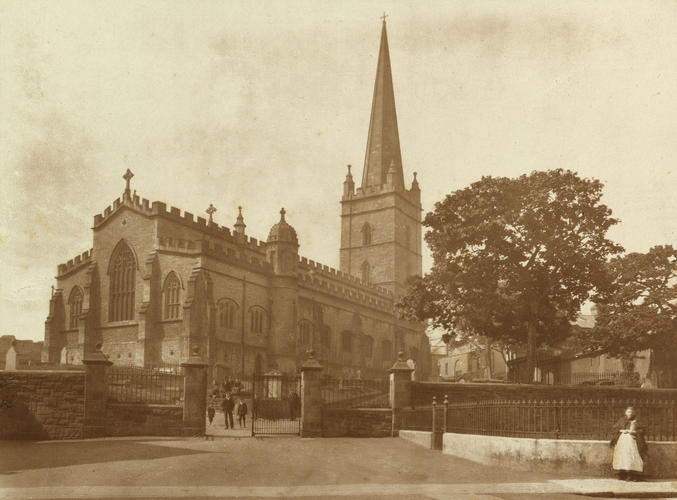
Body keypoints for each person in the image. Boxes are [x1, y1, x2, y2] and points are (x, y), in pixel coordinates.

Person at [610, 406, 648, 481]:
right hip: (622, 442)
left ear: (634, 413)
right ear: (625, 413)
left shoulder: (637, 421)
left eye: (631, 412)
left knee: (632, 457)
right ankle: (622, 473)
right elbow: (615, 428)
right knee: (622, 457)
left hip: (634, 442)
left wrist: (634, 432)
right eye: (628, 412)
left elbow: (642, 430)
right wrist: (622, 430)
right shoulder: (621, 420)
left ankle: (632, 475)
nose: (629, 413)